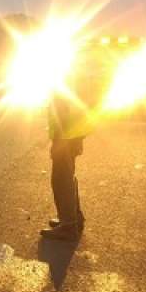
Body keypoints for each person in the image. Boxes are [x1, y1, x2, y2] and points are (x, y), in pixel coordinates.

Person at [40, 64, 99, 241]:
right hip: (75, 132)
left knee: (60, 178)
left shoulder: (64, 74)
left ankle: (68, 225)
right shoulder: (77, 72)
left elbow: (62, 109)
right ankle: (74, 218)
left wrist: (58, 138)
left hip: (65, 135)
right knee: (67, 175)